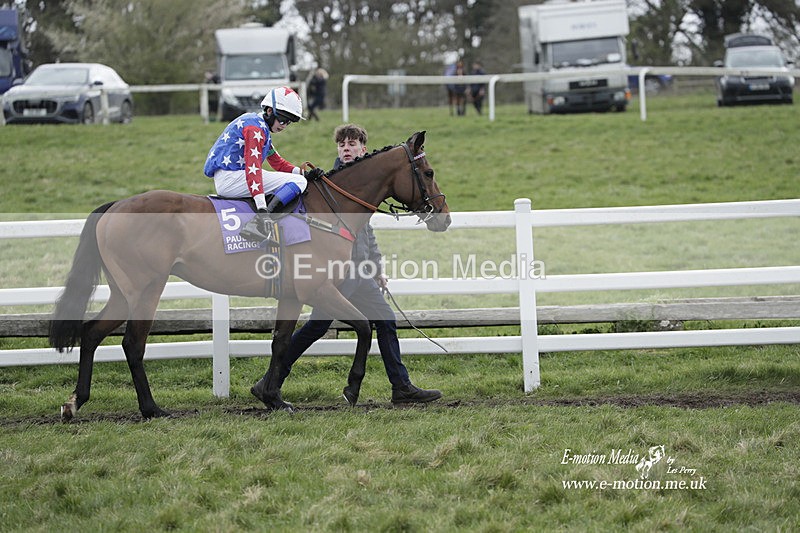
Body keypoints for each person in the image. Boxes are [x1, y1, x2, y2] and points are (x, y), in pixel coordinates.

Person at [251, 123, 442, 405]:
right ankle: (270, 381)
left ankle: (401, 387)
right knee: (317, 327)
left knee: (385, 320)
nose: (347, 149)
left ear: (363, 148)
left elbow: (366, 232)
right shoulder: (332, 185)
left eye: (352, 144)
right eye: (342, 145)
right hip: (332, 274)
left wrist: (375, 266)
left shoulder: (364, 183)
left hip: (358, 272)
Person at [203, 86, 323, 243]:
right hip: (233, 178)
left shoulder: (257, 125)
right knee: (299, 183)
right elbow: (253, 169)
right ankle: (259, 224)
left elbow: (277, 163)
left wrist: (304, 173)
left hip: (230, 177)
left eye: (289, 122)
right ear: (269, 111)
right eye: (282, 119)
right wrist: (261, 209)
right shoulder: (256, 129)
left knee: (300, 179)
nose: (284, 125)